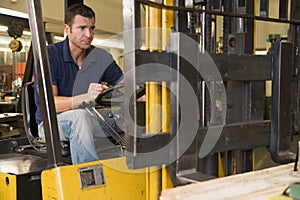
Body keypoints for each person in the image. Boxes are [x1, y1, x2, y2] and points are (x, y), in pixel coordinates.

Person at [33, 3, 123, 164]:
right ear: (67, 29)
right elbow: (49, 104)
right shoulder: (49, 56)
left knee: (128, 115)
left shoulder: (100, 57)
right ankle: (89, 177)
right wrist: (86, 98)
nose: (89, 34)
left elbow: (125, 85)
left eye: (92, 28)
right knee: (79, 117)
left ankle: (136, 168)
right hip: (52, 124)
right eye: (82, 28)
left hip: (92, 119)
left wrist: (145, 93)